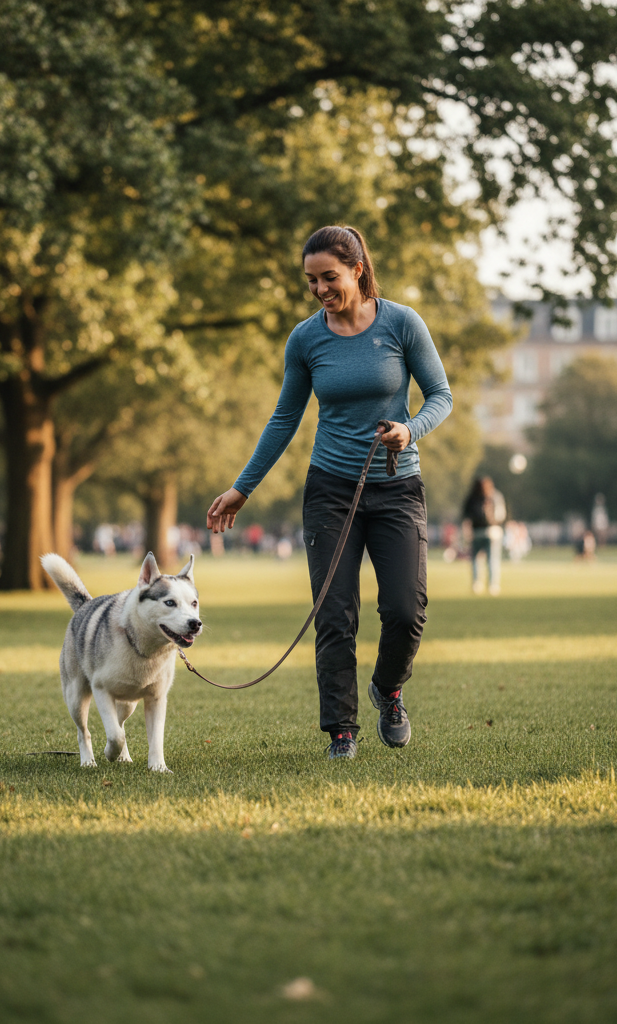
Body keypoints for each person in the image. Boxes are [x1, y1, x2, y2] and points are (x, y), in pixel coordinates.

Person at [206, 225, 452, 760]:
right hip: (331, 492)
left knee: (407, 610)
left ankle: (388, 691)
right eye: (311, 280)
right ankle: (342, 729)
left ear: (358, 269)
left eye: (329, 277)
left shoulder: (402, 323)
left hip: (396, 485)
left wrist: (411, 429)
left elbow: (440, 395)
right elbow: (284, 417)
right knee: (336, 616)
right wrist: (241, 488)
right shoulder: (306, 338)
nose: (319, 289)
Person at [461, 476, 506, 595]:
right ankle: (493, 585)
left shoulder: (472, 497)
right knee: (492, 560)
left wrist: (466, 533)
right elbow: (501, 515)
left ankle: (477, 584)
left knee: (475, 559)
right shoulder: (496, 496)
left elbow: (466, 516)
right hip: (493, 532)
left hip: (476, 532)